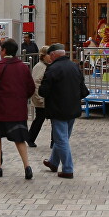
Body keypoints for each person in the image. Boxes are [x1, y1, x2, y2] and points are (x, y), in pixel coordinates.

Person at [0, 38, 36, 180]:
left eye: (0, 49)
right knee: (19, 139)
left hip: (0, 109)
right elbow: (31, 87)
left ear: (4, 50)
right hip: (18, 110)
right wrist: (22, 98)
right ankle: (27, 166)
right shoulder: (23, 67)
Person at [38, 44, 84, 179]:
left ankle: (68, 169)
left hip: (58, 109)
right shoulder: (74, 66)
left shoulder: (52, 69)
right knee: (63, 138)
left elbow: (44, 91)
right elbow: (83, 88)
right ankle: (53, 162)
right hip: (73, 108)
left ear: (53, 55)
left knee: (61, 139)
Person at [28, 46, 50, 148]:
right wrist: (39, 98)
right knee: (39, 118)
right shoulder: (39, 67)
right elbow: (36, 84)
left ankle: (30, 138)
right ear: (43, 56)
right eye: (48, 55)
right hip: (40, 99)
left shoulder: (46, 66)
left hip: (44, 98)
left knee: (40, 118)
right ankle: (30, 138)